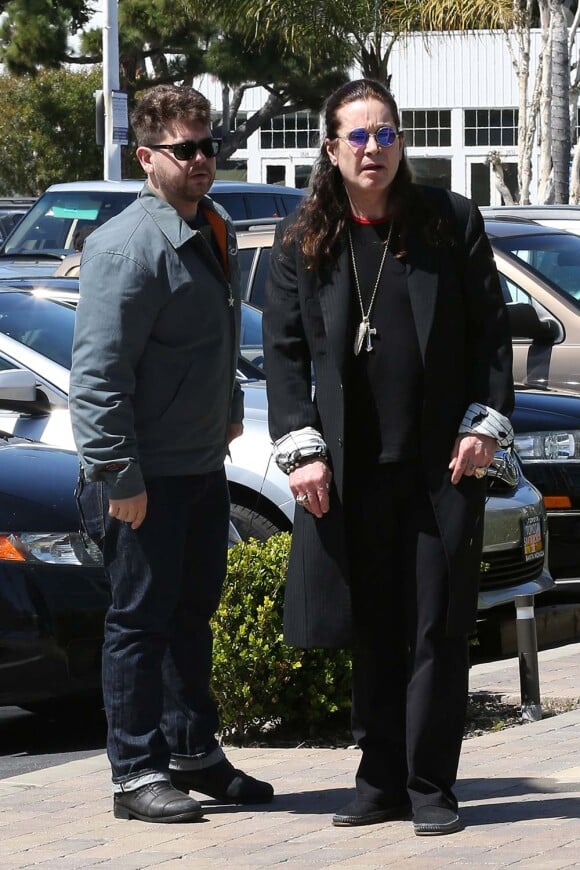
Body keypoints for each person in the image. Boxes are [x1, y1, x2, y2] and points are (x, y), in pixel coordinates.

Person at [262, 78, 514, 836]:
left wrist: (485, 425)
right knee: (370, 623)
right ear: (332, 148)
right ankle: (378, 779)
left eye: (387, 134)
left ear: (402, 142)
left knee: (438, 623)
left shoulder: (449, 221)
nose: (374, 148)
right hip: (351, 470)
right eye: (359, 136)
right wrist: (302, 447)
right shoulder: (303, 237)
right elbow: (283, 353)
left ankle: (431, 785)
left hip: (444, 466)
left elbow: (490, 334)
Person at [69, 84, 273, 824]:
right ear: (146, 156)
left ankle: (193, 753)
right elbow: (98, 375)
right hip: (141, 477)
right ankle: (135, 775)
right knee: (138, 622)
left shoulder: (208, 226)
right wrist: (119, 474)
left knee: (191, 614)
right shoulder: (127, 245)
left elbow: (206, 344)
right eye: (184, 149)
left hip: (196, 467)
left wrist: (221, 418)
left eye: (208, 145)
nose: (201, 159)